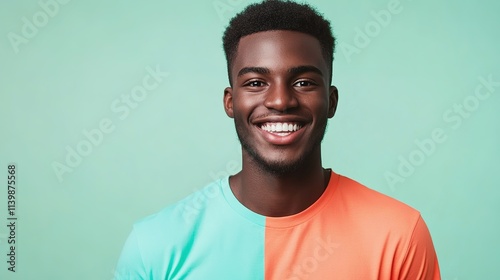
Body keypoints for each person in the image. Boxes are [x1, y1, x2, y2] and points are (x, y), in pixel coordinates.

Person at [114, 1, 441, 279]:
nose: (281, 101)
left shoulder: (398, 235)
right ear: (230, 102)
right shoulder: (155, 245)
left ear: (331, 101)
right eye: (256, 82)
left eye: (303, 82)